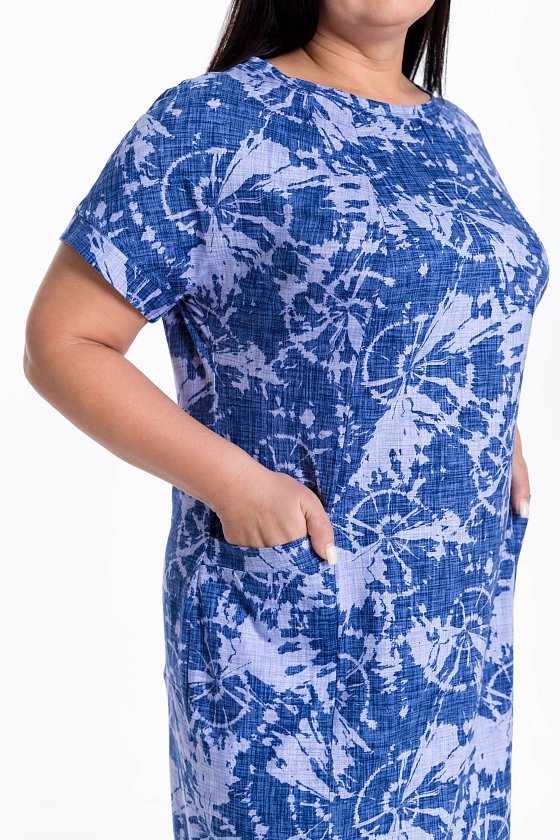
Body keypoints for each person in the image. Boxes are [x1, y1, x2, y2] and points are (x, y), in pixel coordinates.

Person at [23, 0, 549, 837]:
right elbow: (63, 342)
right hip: (290, 645)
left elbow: (448, 302)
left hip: (454, 647)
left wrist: (485, 413)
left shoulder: (456, 137)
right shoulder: (210, 122)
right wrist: (237, 486)